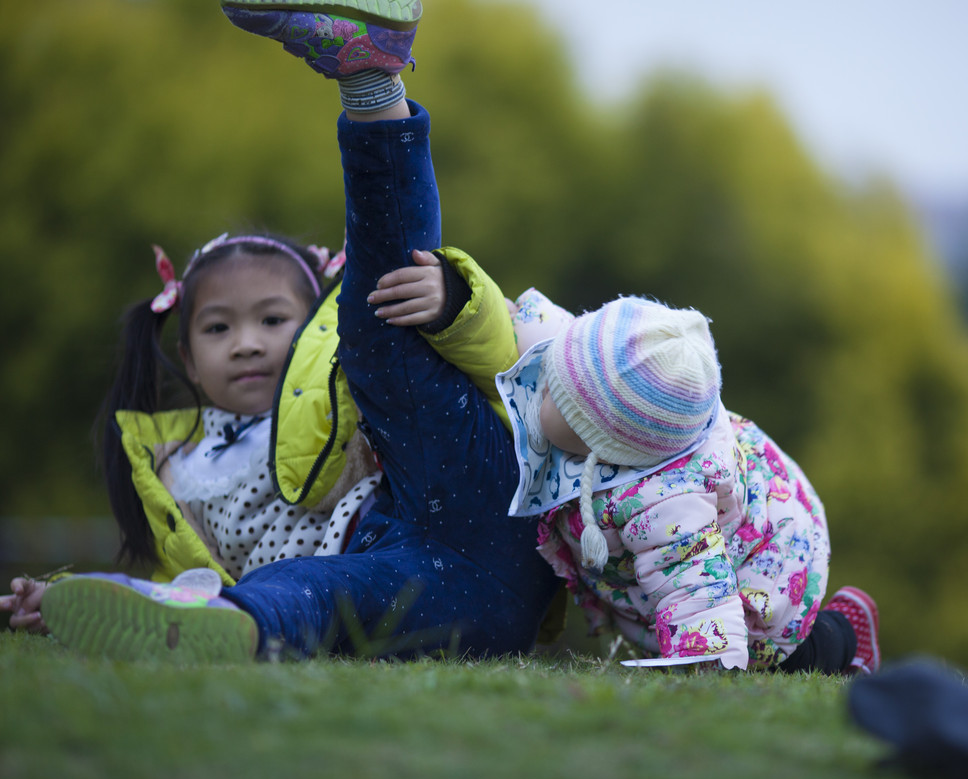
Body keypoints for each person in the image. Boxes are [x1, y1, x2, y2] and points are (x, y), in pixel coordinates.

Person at [2, 0, 561, 662]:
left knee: (386, 320)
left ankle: (371, 78)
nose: (247, 342)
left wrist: (457, 302)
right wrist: (67, 601)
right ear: (187, 353)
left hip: (480, 498)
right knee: (294, 592)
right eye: (218, 328)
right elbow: (178, 589)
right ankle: (240, 634)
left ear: (310, 332)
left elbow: (508, 358)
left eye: (272, 321)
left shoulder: (347, 375)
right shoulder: (174, 472)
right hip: (401, 591)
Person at [477, 283, 882, 673]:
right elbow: (543, 334)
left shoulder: (665, 504)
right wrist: (470, 303)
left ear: (602, 442)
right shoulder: (588, 358)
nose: (541, 383)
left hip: (761, 568)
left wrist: (706, 657)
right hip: (756, 490)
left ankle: (848, 631)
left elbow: (694, 590)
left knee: (783, 656)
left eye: (555, 396)